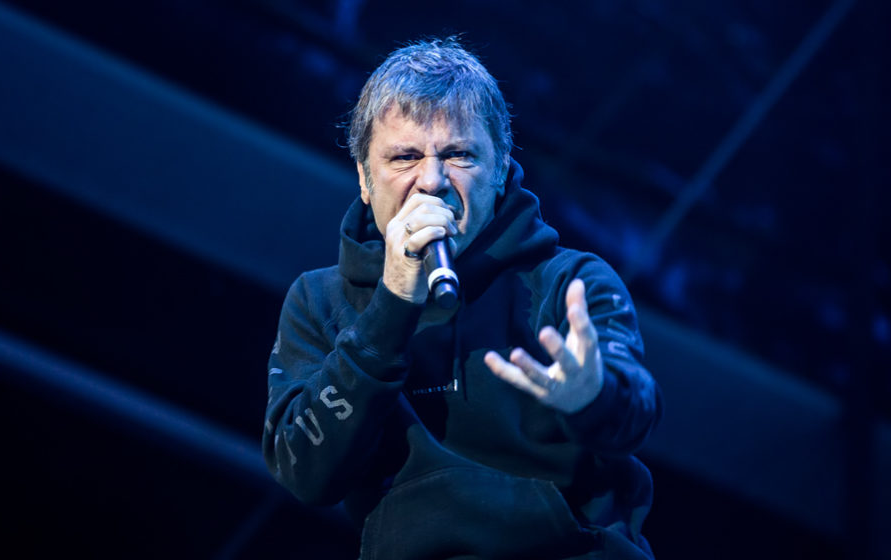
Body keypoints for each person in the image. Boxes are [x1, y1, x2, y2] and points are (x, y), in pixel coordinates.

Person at [263, 36, 662, 560]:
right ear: (363, 178)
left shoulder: (570, 281)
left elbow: (637, 408)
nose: (431, 181)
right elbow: (304, 472)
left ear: (500, 170)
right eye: (405, 157)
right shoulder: (320, 300)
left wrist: (595, 396)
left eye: (458, 155)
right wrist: (391, 306)